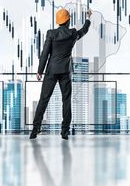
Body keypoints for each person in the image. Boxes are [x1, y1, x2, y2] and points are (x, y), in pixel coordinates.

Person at [30, 8, 93, 140]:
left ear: (58, 21)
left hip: (51, 71)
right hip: (65, 72)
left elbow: (45, 54)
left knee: (43, 100)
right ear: (68, 20)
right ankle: (64, 132)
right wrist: (88, 18)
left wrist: (39, 71)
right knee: (66, 101)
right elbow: (84, 31)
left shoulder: (51, 34)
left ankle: (35, 130)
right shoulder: (72, 34)